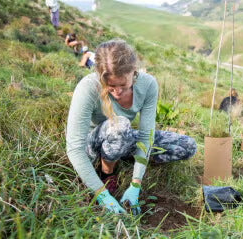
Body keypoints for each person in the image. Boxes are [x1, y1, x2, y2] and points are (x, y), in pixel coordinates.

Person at [66, 39, 197, 214]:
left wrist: (136, 183)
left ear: (133, 71)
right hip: (92, 145)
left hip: (120, 136)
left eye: (123, 85)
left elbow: (145, 136)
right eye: (111, 87)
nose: (118, 92)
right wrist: (101, 194)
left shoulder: (148, 85)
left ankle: (124, 158)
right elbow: (74, 148)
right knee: (121, 125)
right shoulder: (88, 87)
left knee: (188, 146)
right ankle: (106, 173)